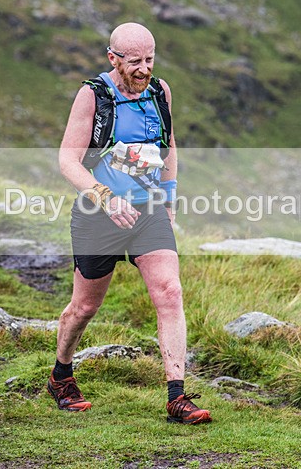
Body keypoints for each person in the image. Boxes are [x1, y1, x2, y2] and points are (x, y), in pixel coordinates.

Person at [47, 22, 212, 425]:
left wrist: (169, 197)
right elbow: (67, 160)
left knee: (170, 292)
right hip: (96, 214)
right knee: (84, 307)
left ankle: (177, 396)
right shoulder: (93, 96)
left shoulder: (160, 92)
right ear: (113, 58)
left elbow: (169, 146)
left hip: (148, 210)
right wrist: (105, 197)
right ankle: (61, 375)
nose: (144, 69)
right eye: (134, 61)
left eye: (150, 59)